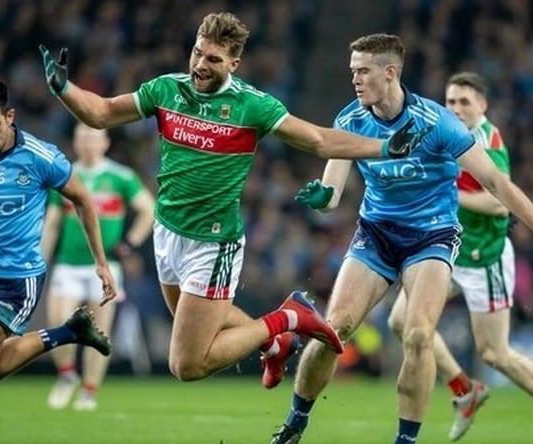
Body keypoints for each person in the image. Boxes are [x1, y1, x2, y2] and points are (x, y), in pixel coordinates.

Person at [39, 12, 431, 386]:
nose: (200, 65)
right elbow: (102, 113)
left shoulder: (252, 105)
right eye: (197, 52)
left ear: (234, 64)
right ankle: (275, 343)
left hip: (212, 244)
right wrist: (63, 88)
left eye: (213, 59)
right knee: (205, 321)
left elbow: (319, 139)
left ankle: (288, 318)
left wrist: (385, 147)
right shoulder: (166, 90)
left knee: (186, 365)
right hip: (167, 232)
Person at [267, 34, 533, 444]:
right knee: (335, 328)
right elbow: (331, 195)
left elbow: (494, 180)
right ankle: (294, 424)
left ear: (390, 72)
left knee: (418, 335)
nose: (355, 79)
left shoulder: (436, 122)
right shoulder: (350, 119)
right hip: (376, 235)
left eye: (363, 71)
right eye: (352, 71)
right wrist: (322, 199)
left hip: (432, 237)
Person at [385, 72, 533, 444]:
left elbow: (496, 203)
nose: (456, 108)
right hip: (448, 249)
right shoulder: (443, 131)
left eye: (464, 102)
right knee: (400, 322)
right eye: (451, 100)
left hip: (483, 259)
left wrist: (448, 196)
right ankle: (464, 389)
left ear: (482, 106)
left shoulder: (488, 142)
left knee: (495, 353)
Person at [0, 76, 117, 425]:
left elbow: (84, 200)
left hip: (16, 279)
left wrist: (101, 263)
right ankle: (67, 333)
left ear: (10, 116)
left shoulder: (41, 157)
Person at [42, 122, 155, 411]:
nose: (89, 142)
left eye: (94, 137)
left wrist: (130, 242)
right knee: (58, 323)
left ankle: (89, 391)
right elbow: (52, 222)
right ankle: (67, 375)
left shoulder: (121, 176)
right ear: (76, 142)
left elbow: (148, 208)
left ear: (105, 142)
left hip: (105, 267)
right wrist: (40, 259)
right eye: (83, 137)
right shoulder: (66, 176)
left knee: (98, 332)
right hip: (68, 263)